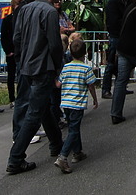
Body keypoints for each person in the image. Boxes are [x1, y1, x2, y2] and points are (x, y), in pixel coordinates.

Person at [7, 0, 65, 175]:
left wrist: (22, 58)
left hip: (27, 65)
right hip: (43, 66)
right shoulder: (49, 12)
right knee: (34, 113)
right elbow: (54, 43)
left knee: (43, 108)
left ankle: (57, 144)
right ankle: (16, 158)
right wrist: (58, 67)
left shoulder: (25, 8)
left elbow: (17, 37)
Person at [54, 39, 98, 174]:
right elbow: (91, 86)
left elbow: (58, 85)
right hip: (77, 104)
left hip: (66, 103)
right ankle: (63, 156)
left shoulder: (66, 67)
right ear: (85, 53)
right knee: (73, 130)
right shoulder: (86, 68)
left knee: (73, 126)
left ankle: (77, 152)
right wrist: (95, 100)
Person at [102, 0, 130, 99]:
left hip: (123, 35)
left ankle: (121, 86)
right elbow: (113, 21)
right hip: (115, 35)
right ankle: (106, 89)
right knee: (111, 63)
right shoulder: (113, 2)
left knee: (122, 63)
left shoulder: (126, 1)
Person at [1, 0, 22, 108]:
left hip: (21, 52)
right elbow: (4, 37)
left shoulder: (24, 19)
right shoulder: (8, 19)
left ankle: (20, 97)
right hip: (11, 52)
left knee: (21, 76)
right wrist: (8, 51)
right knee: (11, 76)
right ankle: (11, 98)